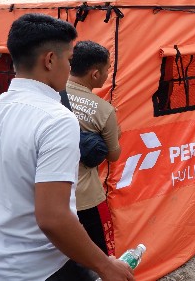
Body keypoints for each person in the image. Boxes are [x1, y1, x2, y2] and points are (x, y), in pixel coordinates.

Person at [0, 14, 134, 280]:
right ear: (49, 60)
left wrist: (5, 247)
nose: (70, 68)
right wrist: (105, 265)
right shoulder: (56, 119)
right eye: (68, 60)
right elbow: (53, 217)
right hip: (42, 271)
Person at [66, 41, 121, 258]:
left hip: (46, 197)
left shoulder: (49, 94)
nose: (109, 73)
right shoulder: (103, 110)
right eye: (108, 69)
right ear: (95, 74)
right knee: (101, 257)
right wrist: (117, 134)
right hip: (85, 198)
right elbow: (114, 155)